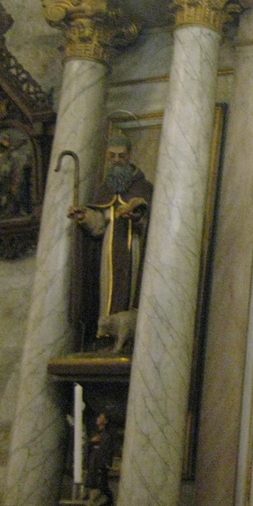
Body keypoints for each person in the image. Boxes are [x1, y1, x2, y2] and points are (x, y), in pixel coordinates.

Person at [67, 135, 153, 350]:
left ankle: (129, 339)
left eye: (121, 156)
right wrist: (84, 216)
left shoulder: (143, 188)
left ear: (129, 156)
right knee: (107, 290)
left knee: (131, 288)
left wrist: (137, 217)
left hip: (133, 246)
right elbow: (99, 225)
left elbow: (154, 223)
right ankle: (106, 337)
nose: (116, 160)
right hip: (108, 249)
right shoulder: (104, 189)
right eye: (112, 156)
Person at [83, 412, 115, 506]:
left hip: (99, 467)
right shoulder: (95, 434)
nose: (98, 419)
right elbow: (88, 449)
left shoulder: (107, 436)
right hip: (93, 465)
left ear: (105, 421)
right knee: (91, 489)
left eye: (101, 417)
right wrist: (91, 443)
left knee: (98, 489)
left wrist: (105, 464)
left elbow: (107, 452)